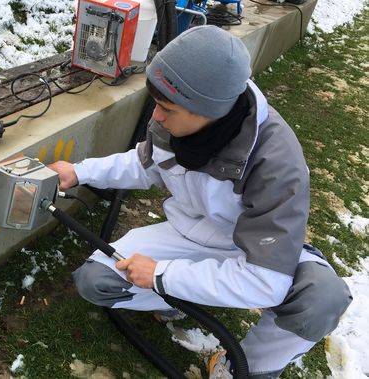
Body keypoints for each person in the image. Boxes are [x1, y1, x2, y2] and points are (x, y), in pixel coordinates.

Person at [48, 25, 352, 378]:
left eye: (165, 108)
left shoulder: (277, 163)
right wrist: (80, 172)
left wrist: (161, 274)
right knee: (96, 281)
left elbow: (267, 281)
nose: (156, 117)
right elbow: (145, 163)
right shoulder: (179, 118)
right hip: (189, 235)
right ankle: (182, 297)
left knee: (321, 300)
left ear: (208, 110)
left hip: (253, 252)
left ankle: (244, 366)